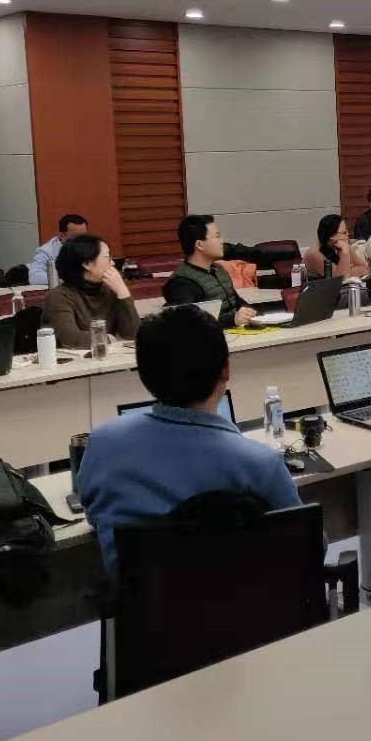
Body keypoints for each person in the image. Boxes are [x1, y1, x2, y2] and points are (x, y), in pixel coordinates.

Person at [76, 305, 300, 573]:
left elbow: (94, 514)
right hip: (242, 597)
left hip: (141, 598)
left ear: (144, 375)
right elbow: (308, 547)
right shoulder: (260, 463)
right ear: (225, 371)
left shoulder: (103, 444)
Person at [42, 234, 141, 349]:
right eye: (107, 257)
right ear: (87, 264)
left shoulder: (111, 289)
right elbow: (70, 338)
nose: (112, 263)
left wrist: (123, 292)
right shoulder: (58, 296)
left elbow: (133, 335)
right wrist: (108, 339)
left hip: (109, 356)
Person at [162, 215, 257, 328]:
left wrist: (247, 310)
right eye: (217, 236)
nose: (221, 241)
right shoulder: (182, 283)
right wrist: (231, 320)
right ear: (200, 245)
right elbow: (187, 324)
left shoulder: (218, 269)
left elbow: (235, 301)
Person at [26, 213, 88, 286]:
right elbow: (35, 277)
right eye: (75, 237)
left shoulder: (91, 246)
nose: (80, 241)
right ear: (62, 236)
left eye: (83, 236)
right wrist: (67, 279)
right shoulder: (47, 251)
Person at [303, 214, 369, 280]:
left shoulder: (343, 244)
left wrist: (348, 272)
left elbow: (364, 268)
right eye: (344, 232)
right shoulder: (314, 254)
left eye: (347, 231)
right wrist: (345, 253)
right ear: (332, 236)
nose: (348, 234)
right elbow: (339, 280)